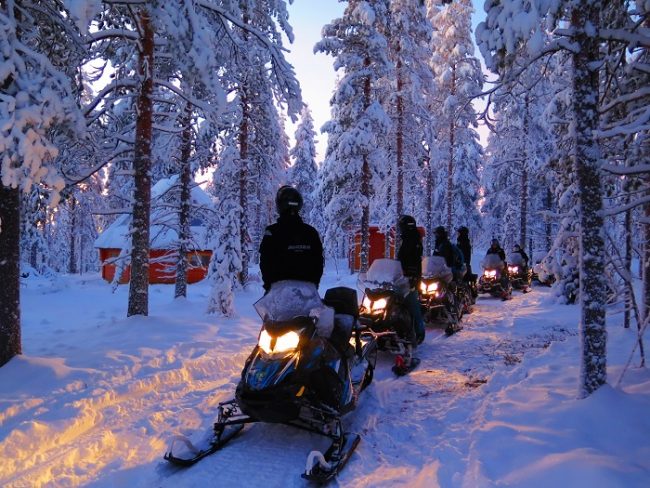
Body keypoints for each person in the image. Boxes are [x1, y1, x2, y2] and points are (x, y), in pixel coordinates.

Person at [259, 186, 324, 293]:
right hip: (305, 296)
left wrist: (269, 287)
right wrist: (312, 286)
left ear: (279, 205)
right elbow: (318, 264)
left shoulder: (271, 232)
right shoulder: (311, 232)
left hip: (280, 297)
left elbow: (265, 265)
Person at [396, 215, 425, 345]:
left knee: (413, 304)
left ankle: (419, 332)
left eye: (401, 226)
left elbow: (414, 260)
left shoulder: (414, 239)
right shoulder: (407, 239)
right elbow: (402, 258)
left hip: (411, 278)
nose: (399, 229)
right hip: (402, 277)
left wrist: (412, 276)